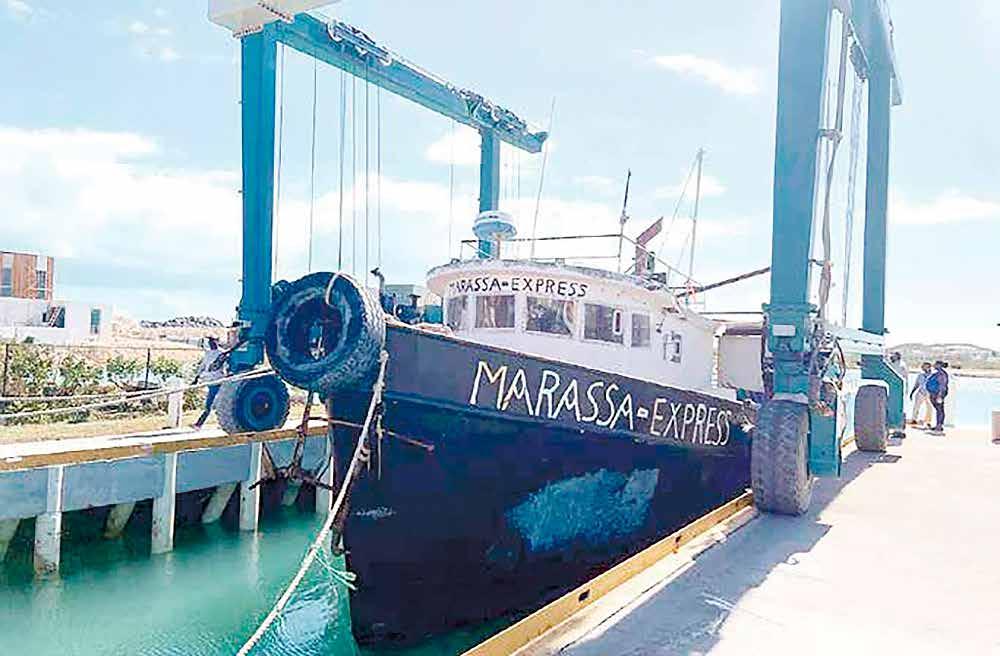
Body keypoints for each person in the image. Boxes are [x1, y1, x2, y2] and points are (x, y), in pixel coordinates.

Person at [192, 336, 227, 430]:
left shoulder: (222, 353)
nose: (212, 344)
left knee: (210, 403)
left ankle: (199, 424)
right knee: (214, 402)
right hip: (209, 381)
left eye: (213, 341)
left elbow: (226, 366)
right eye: (210, 342)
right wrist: (196, 378)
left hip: (218, 380)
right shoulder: (208, 354)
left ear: (217, 342)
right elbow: (202, 367)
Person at [924, 360, 950, 434]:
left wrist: (940, 396)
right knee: (938, 410)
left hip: (938, 394)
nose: (934, 365)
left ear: (939, 365)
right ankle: (938, 425)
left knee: (940, 410)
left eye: (935, 364)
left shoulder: (941, 374)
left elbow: (942, 386)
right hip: (933, 394)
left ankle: (939, 426)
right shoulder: (936, 373)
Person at [910, 361, 934, 428]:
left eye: (925, 366)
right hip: (921, 392)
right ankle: (914, 419)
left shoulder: (933, 375)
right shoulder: (920, 375)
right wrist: (912, 393)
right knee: (916, 406)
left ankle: (928, 421)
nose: (923, 368)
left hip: (929, 393)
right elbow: (916, 384)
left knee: (929, 408)